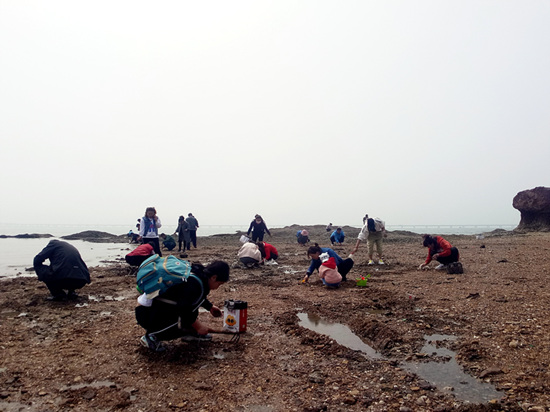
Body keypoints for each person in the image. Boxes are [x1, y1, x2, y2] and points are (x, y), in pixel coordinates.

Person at [135, 261, 230, 352]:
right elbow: (184, 309)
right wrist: (199, 327)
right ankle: (152, 336)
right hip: (146, 313)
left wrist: (210, 307)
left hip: (153, 308)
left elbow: (191, 298)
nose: (218, 287)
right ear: (214, 277)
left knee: (190, 311)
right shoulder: (194, 284)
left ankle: (188, 332)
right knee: (182, 317)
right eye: (219, 284)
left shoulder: (198, 276)